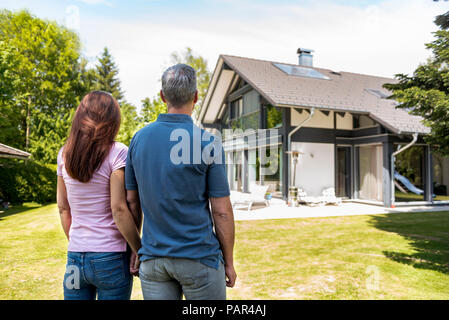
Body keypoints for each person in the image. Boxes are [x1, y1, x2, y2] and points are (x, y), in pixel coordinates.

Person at [125, 64, 236, 300]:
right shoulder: (208, 143)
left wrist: (137, 249)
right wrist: (228, 261)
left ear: (162, 96)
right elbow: (222, 212)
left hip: (154, 261)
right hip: (199, 259)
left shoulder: (138, 140)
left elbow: (131, 203)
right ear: (196, 97)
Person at [57, 91, 141, 300]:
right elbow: (120, 208)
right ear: (112, 119)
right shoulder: (118, 152)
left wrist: (77, 241)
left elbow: (63, 208)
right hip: (110, 260)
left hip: (75, 261)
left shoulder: (64, 154)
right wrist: (138, 249)